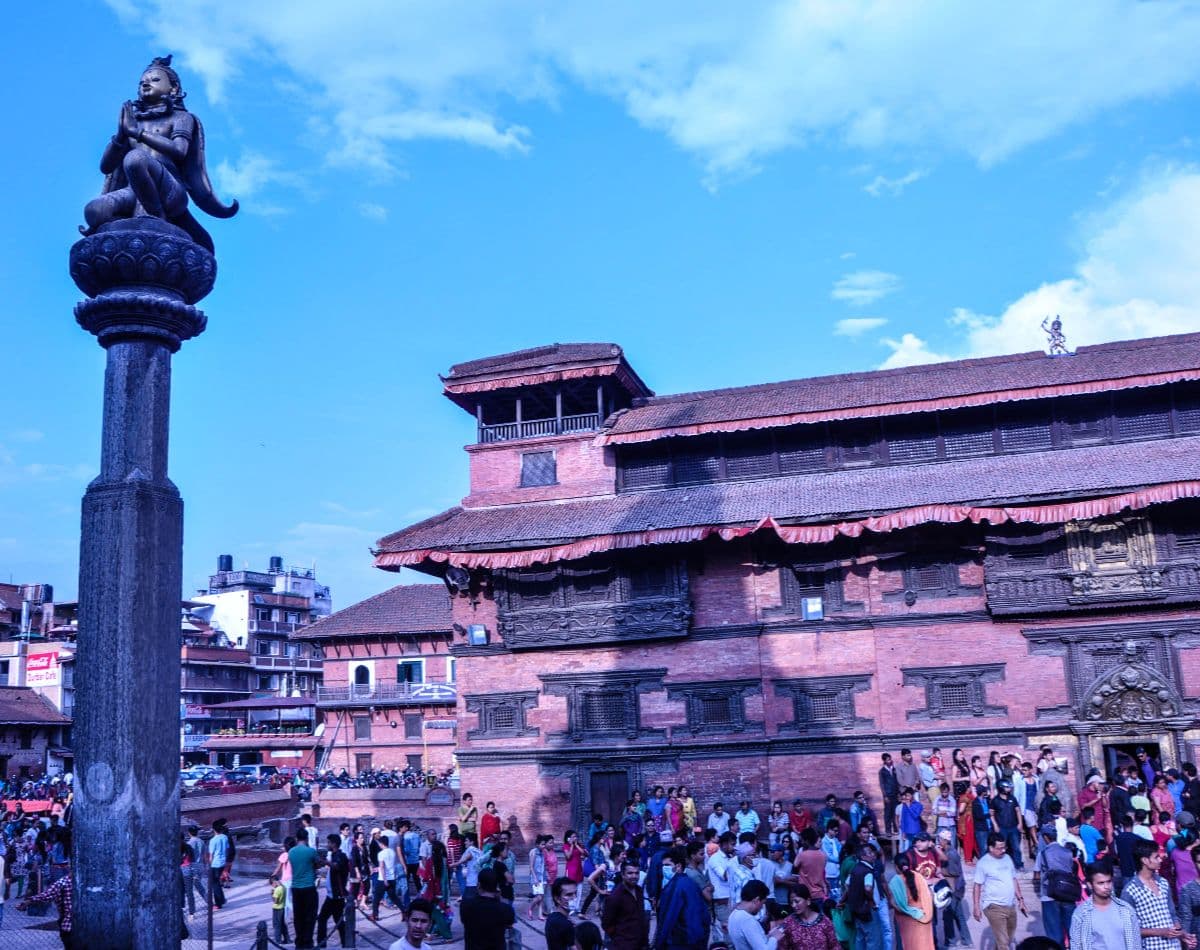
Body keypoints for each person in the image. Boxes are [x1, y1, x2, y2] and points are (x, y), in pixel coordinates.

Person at [80, 54, 238, 251]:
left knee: (136, 158)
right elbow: (106, 167)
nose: (146, 84)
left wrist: (137, 133)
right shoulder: (132, 121)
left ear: (174, 88)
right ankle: (132, 228)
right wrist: (121, 135)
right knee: (94, 210)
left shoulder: (181, 118)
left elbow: (180, 151)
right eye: (142, 83)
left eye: (155, 80)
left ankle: (156, 217)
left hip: (170, 190)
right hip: (133, 190)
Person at [1124, 838, 1194, 950]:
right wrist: (1161, 932)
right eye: (1156, 857)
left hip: (1173, 946)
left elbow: (1172, 916)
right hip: (1152, 946)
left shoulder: (1163, 883)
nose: (1160, 859)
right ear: (1145, 861)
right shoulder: (1130, 890)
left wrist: (1182, 935)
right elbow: (1129, 929)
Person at [1069, 864, 1141, 950]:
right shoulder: (1081, 914)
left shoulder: (1126, 910)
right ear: (1090, 885)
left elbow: (1136, 944)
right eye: (1101, 883)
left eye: (1109, 881)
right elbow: (1076, 946)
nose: (1106, 887)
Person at [973, 833, 1025, 950]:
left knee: (1008, 938)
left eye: (1004, 847)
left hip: (1010, 906)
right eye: (999, 848)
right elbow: (977, 886)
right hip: (993, 906)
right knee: (1003, 943)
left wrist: (1020, 899)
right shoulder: (983, 863)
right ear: (991, 848)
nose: (1003, 850)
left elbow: (1013, 879)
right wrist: (976, 907)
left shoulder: (1007, 858)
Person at [656, 847, 710, 950]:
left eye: (667, 865)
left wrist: (659, 943)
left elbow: (669, 917)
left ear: (678, 866)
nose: (664, 869)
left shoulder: (675, 887)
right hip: (694, 940)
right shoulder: (689, 883)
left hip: (680, 941)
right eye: (663, 866)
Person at [1034, 822, 1078, 946]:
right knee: (1073, 932)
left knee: (1054, 935)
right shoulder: (1067, 852)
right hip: (1068, 894)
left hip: (1049, 896)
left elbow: (1037, 875)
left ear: (1045, 837)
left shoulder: (1042, 854)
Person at [461, 868, 517, 950]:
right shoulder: (505, 909)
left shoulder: (465, 905)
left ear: (478, 885)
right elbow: (509, 924)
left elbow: (464, 921)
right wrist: (499, 898)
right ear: (497, 887)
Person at [17, 870, 73, 948]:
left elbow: (46, 895)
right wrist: (28, 901)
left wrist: (28, 901)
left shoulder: (63, 882)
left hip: (69, 927)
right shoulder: (63, 883)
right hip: (71, 927)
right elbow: (46, 895)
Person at [890, 853, 935, 950]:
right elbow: (928, 896)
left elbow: (896, 905)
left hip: (906, 922)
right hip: (923, 917)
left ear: (896, 867)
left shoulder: (895, 881)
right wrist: (922, 913)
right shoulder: (919, 876)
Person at [777, 883, 839, 950]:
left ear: (808, 901)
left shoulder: (825, 922)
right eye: (791, 902)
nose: (793, 905)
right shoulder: (788, 923)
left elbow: (835, 946)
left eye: (797, 901)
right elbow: (782, 947)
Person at [844, 843, 883, 950]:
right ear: (863, 856)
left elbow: (847, 885)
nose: (873, 854)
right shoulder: (868, 871)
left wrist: (850, 898)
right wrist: (872, 902)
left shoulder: (855, 869)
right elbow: (868, 888)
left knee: (860, 938)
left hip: (856, 909)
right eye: (869, 853)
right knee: (873, 941)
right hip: (868, 910)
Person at [603, 861, 649, 950]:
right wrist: (620, 938)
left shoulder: (639, 891)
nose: (634, 876)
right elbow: (606, 924)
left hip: (640, 945)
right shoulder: (615, 897)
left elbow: (641, 918)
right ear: (623, 875)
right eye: (630, 873)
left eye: (636, 873)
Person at [937, 828, 971, 949]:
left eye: (940, 839)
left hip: (954, 889)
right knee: (959, 915)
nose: (939, 841)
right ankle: (967, 940)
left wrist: (940, 872)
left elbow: (954, 872)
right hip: (957, 888)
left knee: (948, 916)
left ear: (945, 840)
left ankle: (950, 942)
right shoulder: (948, 851)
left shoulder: (950, 854)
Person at [729, 879, 786, 950]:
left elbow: (750, 941)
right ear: (757, 900)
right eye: (763, 903)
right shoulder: (747, 920)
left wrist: (769, 936)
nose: (762, 907)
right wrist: (774, 938)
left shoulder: (734, 914)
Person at [290, 829, 323, 949]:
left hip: (296, 887)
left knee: (298, 916)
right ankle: (308, 941)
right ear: (307, 838)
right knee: (310, 916)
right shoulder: (311, 851)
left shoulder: (291, 852)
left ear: (296, 838)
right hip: (309, 886)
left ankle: (299, 942)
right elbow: (318, 863)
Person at [317, 832, 350, 949]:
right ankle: (346, 943)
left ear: (334, 844)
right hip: (332, 895)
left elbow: (337, 866)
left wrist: (325, 862)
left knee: (323, 919)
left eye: (329, 842)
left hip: (336, 895)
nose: (327, 844)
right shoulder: (335, 855)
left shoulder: (340, 856)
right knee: (338, 921)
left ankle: (322, 944)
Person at [545, 876, 578, 950]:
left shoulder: (551, 916)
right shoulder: (566, 924)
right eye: (569, 894)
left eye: (575, 893)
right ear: (557, 899)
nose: (574, 897)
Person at [208, 818, 230, 910]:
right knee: (217, 883)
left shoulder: (213, 840)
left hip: (215, 863)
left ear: (214, 829)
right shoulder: (225, 837)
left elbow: (211, 855)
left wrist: (209, 864)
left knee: (215, 884)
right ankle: (221, 900)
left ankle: (219, 903)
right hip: (222, 862)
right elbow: (227, 849)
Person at [270, 876, 290, 945]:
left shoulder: (278, 890)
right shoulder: (283, 887)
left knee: (276, 925)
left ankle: (278, 940)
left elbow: (275, 901)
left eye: (272, 884)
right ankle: (287, 939)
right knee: (282, 924)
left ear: (274, 882)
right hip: (282, 908)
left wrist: (272, 893)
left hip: (277, 909)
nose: (272, 886)